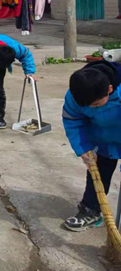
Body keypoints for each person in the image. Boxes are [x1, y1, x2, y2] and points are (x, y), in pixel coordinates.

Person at [62, 61, 121, 231]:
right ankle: (90, 210)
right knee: (98, 175)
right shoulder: (76, 93)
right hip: (102, 141)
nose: (90, 108)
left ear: (110, 89)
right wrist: (83, 148)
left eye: (95, 104)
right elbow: (73, 121)